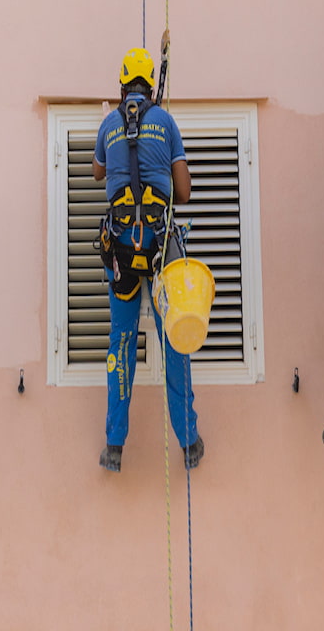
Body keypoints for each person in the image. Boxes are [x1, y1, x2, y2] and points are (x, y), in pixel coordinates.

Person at [93, 47, 203, 473]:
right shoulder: (166, 122)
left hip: (120, 248)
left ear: (122, 85)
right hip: (159, 248)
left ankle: (114, 446)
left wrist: (112, 135)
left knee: (121, 344)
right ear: (151, 84)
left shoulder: (108, 124)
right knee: (175, 338)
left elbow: (97, 173)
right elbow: (184, 192)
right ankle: (189, 441)